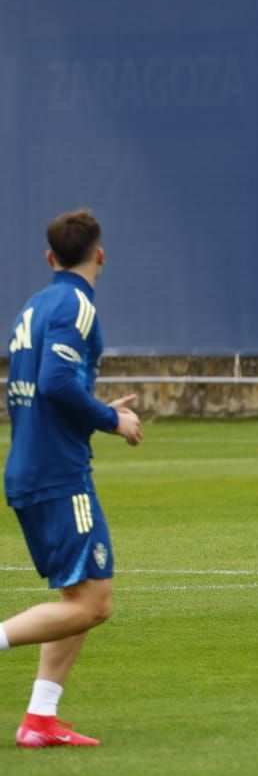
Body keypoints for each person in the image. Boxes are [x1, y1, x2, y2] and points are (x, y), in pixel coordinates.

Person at [3, 209, 143, 747]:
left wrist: (93, 409)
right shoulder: (76, 305)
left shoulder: (35, 305)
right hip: (59, 474)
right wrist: (111, 419)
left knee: (75, 598)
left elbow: (45, 389)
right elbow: (57, 380)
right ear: (100, 254)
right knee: (93, 604)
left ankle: (40, 720)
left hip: (34, 464)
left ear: (49, 257)